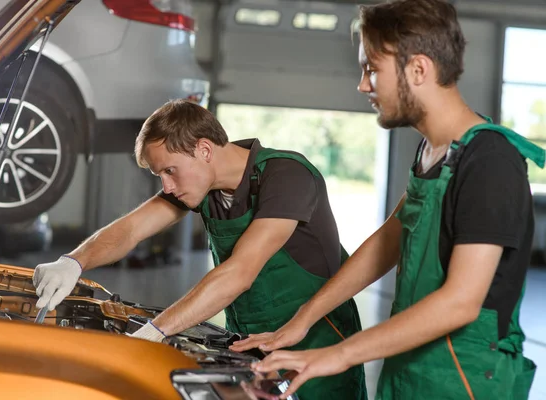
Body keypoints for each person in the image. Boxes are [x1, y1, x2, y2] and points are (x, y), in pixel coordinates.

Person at [229, 0, 542, 399]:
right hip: (410, 365)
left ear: (419, 69)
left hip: (465, 378)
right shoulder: (433, 151)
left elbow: (461, 303)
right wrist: (304, 319)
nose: (362, 85)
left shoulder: (489, 161)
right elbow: (389, 240)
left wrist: (336, 355)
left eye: (372, 69)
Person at [32, 99, 367, 399]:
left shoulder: (287, 176)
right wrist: (73, 262)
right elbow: (131, 229)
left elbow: (239, 273)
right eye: (159, 174)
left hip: (318, 343)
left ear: (204, 150)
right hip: (250, 344)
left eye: (169, 170)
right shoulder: (201, 185)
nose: (165, 186)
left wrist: (154, 331)